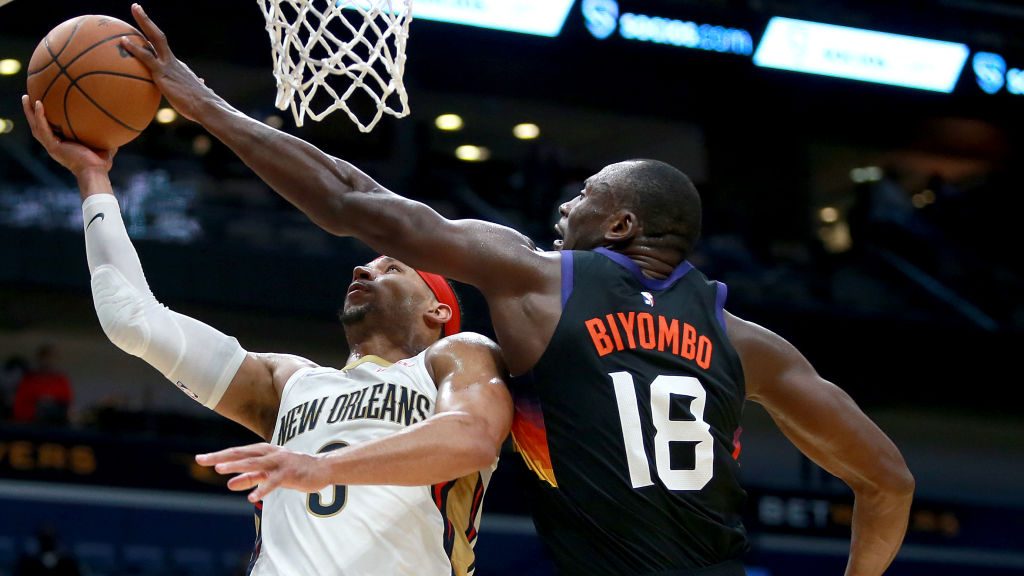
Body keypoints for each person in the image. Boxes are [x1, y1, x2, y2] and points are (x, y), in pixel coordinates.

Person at [61, 5, 914, 575]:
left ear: (620, 226)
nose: (561, 206)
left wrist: (204, 102)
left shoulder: (533, 285)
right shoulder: (750, 342)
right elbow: (888, 485)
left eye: (581, 198)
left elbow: (352, 203)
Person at [21, 95, 512, 576]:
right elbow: (132, 318)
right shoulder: (287, 380)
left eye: (393, 266)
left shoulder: (456, 356)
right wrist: (92, 177)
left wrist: (324, 469)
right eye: (368, 260)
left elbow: (472, 440)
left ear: (437, 308)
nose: (364, 266)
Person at [12, 344, 72, 425]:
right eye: (46, 358)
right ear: (39, 359)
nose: (49, 362)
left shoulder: (61, 380)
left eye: (52, 358)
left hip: (57, 423)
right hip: (33, 423)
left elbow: (67, 403)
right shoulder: (29, 380)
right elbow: (19, 407)